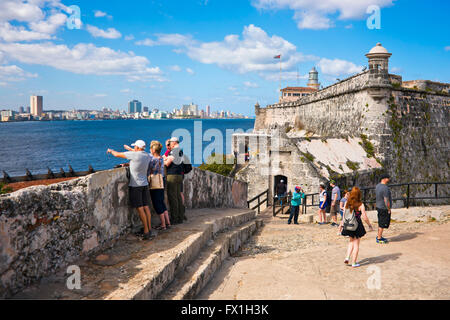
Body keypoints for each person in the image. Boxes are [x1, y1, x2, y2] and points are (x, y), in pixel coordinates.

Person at [107, 140, 154, 240]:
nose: (134, 148)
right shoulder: (147, 155)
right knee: (146, 207)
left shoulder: (134, 155)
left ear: (137, 147)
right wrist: (129, 163)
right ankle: (149, 228)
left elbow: (117, 154)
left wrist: (111, 151)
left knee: (140, 208)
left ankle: (146, 231)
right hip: (145, 184)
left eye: (135, 147)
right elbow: (137, 161)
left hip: (136, 185)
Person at [340, 187, 374, 267]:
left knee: (351, 241)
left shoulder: (347, 203)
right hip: (357, 224)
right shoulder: (360, 204)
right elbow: (365, 217)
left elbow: (344, 214)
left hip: (349, 223)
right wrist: (369, 225)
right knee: (356, 244)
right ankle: (354, 262)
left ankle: (347, 257)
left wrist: (342, 224)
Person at [148, 140, 171, 231]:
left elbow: (148, 167)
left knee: (157, 204)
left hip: (155, 182)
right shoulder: (161, 158)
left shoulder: (153, 160)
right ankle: (168, 223)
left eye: (151, 148)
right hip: (162, 180)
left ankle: (163, 225)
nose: (150, 150)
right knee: (162, 202)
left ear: (153, 150)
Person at [164, 137, 185, 224]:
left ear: (174, 143)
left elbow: (167, 163)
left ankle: (174, 219)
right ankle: (180, 217)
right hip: (179, 175)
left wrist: (163, 160)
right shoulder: (180, 150)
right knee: (178, 197)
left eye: (171, 143)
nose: (170, 144)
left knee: (173, 197)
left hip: (172, 175)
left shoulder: (174, 151)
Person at [375, 173, 392, 244]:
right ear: (385, 179)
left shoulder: (377, 186)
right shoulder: (385, 188)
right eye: (388, 178)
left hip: (379, 206)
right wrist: (388, 208)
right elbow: (386, 200)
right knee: (382, 223)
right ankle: (379, 238)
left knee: (380, 222)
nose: (389, 179)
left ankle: (379, 235)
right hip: (383, 208)